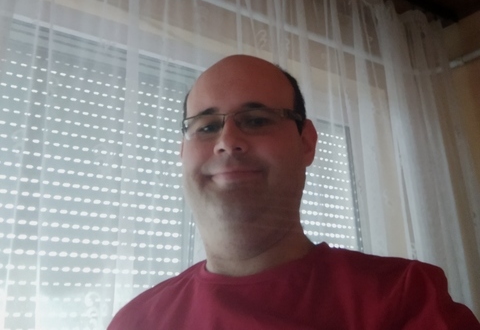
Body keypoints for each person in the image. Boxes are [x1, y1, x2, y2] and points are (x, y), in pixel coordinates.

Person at [108, 54, 480, 329]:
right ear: (182, 153)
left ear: (306, 143)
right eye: (206, 127)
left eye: (256, 120)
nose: (227, 141)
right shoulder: (135, 322)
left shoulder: (405, 298)